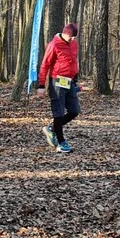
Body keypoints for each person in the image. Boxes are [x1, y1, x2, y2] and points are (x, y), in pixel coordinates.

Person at [37, 22, 81, 153]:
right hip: (56, 81)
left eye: (74, 38)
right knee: (59, 112)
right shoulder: (54, 45)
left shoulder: (74, 44)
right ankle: (61, 143)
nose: (72, 40)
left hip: (70, 82)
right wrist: (41, 85)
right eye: (71, 37)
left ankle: (51, 129)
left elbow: (74, 61)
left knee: (74, 110)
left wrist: (75, 78)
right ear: (65, 34)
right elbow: (45, 65)